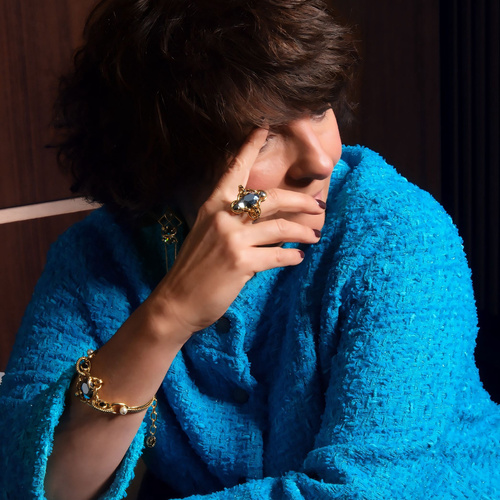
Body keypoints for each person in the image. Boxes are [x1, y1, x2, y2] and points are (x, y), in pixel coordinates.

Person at [0, 0, 499, 499]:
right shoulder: (96, 258)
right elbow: (31, 483)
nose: (321, 159)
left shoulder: (396, 233)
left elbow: (367, 491)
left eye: (318, 108)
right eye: (265, 138)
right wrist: (168, 316)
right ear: (165, 156)